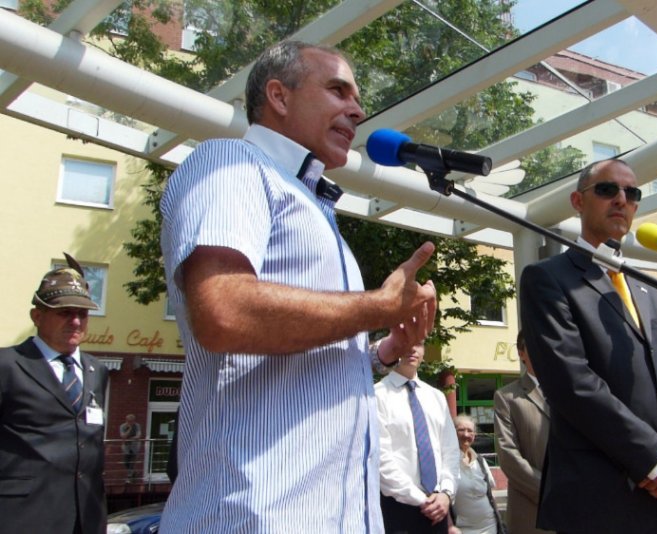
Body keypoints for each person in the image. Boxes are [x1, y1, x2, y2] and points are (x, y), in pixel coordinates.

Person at [159, 40, 438, 533]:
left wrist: (384, 351)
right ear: (279, 96)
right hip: (254, 517)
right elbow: (223, 310)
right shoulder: (231, 162)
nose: (358, 111)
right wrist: (378, 306)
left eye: (357, 99)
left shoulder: (309, 202)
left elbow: (297, 369)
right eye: (338, 90)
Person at [519, 159, 657, 534]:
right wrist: (655, 459)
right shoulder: (547, 278)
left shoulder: (650, 289)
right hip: (600, 502)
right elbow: (572, 383)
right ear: (577, 201)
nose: (621, 199)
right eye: (607, 190)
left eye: (631, 193)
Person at [0, 258, 109, 534]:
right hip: (22, 518)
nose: (76, 321)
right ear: (37, 316)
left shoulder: (97, 370)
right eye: (65, 313)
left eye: (82, 313)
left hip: (86, 519)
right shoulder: (7, 365)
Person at [376, 343, 460, 534]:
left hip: (438, 508)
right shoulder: (377, 395)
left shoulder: (436, 397)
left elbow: (450, 450)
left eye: (419, 344)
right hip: (398, 509)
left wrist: (446, 493)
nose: (412, 349)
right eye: (406, 341)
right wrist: (421, 499)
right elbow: (381, 459)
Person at [493, 330, 551, 534]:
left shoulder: (567, 391)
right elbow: (508, 454)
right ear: (521, 353)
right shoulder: (507, 397)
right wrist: (548, 490)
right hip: (531, 513)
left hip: (575, 510)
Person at [453, 414, 503, 534]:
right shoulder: (448, 462)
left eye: (470, 431)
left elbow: (490, 495)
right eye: (461, 430)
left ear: (474, 435)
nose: (466, 434)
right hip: (463, 529)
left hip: (490, 526)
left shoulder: (480, 461)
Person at [119, 413, 142, 481]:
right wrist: (129, 429)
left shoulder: (137, 426)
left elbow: (138, 435)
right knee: (126, 462)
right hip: (126, 447)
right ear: (126, 420)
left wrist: (131, 438)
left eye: (132, 421)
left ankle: (130, 477)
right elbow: (123, 436)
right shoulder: (122, 426)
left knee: (132, 462)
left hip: (135, 446)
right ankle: (133, 473)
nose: (131, 423)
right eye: (129, 421)